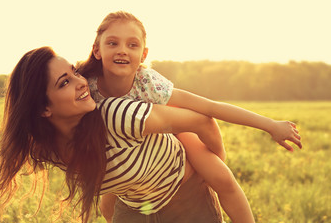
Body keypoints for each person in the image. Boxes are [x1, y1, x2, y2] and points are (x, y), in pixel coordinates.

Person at [78, 11, 302, 223]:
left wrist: (270, 125)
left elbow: (209, 107)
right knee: (108, 202)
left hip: (168, 130)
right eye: (112, 43)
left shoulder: (148, 84)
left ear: (144, 54)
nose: (122, 50)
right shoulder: (85, 85)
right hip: (125, 151)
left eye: (132, 45)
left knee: (222, 178)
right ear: (97, 50)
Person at [0, 46, 228, 223]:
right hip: (135, 206)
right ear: (43, 108)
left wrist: (215, 171)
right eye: (64, 83)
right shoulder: (45, 147)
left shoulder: (116, 115)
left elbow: (202, 121)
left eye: (75, 72)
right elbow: (110, 168)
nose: (80, 82)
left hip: (186, 198)